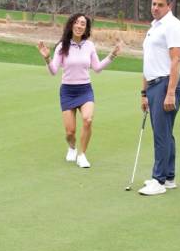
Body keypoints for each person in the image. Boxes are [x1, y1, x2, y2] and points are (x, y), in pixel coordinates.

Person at [37, 13, 121, 168]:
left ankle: (82, 155)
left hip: (85, 90)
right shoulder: (63, 46)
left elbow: (96, 68)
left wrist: (112, 55)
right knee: (70, 133)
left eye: (82, 23)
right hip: (68, 91)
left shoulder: (89, 46)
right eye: (76, 22)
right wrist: (47, 58)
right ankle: (72, 147)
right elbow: (54, 71)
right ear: (71, 25)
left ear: (86, 28)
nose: (79, 25)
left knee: (88, 120)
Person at [138, 0, 180, 196]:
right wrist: (143, 92)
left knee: (161, 134)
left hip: (167, 84)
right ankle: (169, 177)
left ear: (170, 6)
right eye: (153, 4)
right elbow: (148, 60)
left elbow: (175, 59)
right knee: (165, 132)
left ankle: (158, 180)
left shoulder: (173, 26)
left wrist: (170, 92)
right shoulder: (154, 26)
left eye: (160, 5)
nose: (155, 8)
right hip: (154, 84)